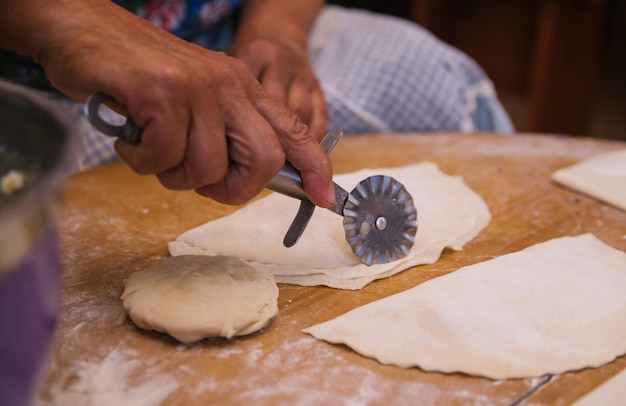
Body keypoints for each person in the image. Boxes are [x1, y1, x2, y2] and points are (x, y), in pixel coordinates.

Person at [0, 0, 514, 206]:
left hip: (235, 31)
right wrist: (71, 22)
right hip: (29, 65)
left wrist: (278, 31)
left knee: (431, 75)